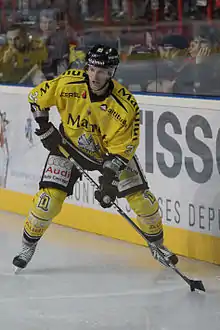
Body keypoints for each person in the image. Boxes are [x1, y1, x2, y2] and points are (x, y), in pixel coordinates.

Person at [12, 44, 178, 272]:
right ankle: (27, 246)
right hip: (68, 147)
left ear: (112, 72)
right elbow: (36, 98)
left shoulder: (125, 105)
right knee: (47, 202)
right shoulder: (68, 83)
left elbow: (122, 150)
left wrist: (109, 181)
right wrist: (44, 127)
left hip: (109, 155)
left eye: (101, 71)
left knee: (143, 201)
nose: (94, 76)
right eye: (91, 69)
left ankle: (158, 247)